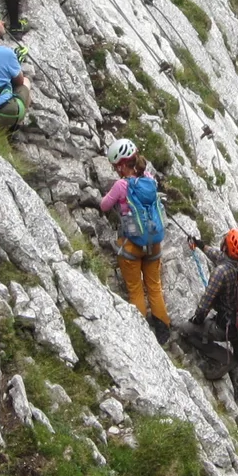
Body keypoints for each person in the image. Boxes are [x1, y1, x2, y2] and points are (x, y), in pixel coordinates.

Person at [179, 228, 238, 426]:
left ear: (227, 246)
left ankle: (224, 358)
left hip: (226, 327)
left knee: (185, 329)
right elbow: (217, 255)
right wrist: (200, 244)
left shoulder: (221, 272)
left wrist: (196, 320)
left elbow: (205, 304)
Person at [99, 137, 168, 341]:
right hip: (154, 243)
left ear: (121, 166)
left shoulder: (121, 185)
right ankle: (163, 332)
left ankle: (142, 335)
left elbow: (104, 205)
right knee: (154, 286)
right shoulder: (149, 179)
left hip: (132, 244)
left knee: (136, 288)